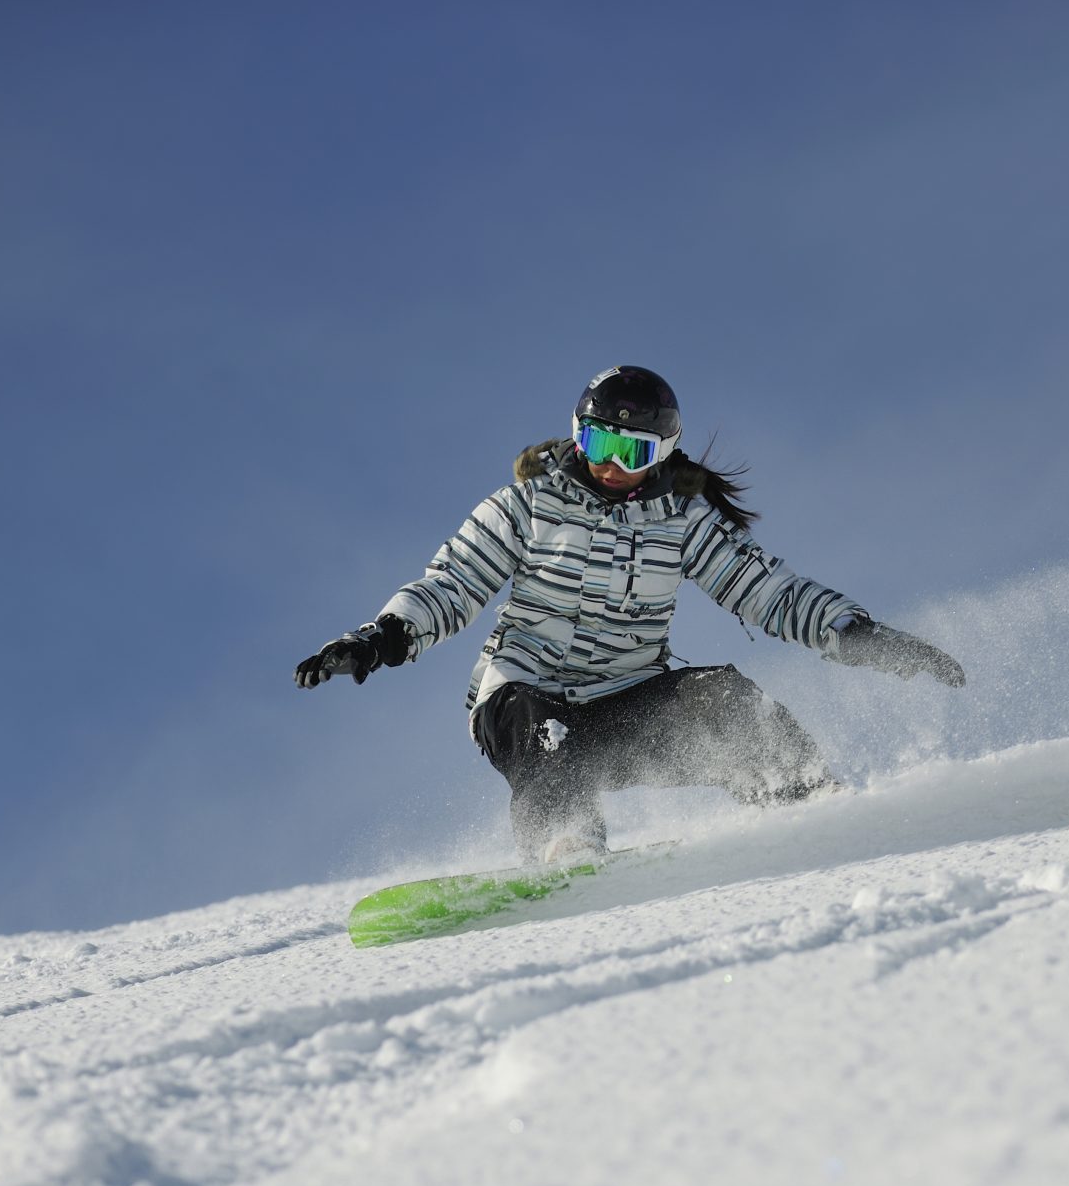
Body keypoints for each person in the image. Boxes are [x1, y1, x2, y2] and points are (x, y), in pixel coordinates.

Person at [296, 366, 965, 863]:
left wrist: (857, 634)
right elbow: (453, 581)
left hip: (623, 708)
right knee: (543, 728)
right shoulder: (526, 505)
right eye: (598, 443)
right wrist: (381, 637)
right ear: (575, 435)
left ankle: (811, 803)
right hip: (522, 701)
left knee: (720, 695)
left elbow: (767, 590)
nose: (612, 467)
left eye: (633, 452)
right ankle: (567, 846)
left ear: (663, 454)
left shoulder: (680, 518)